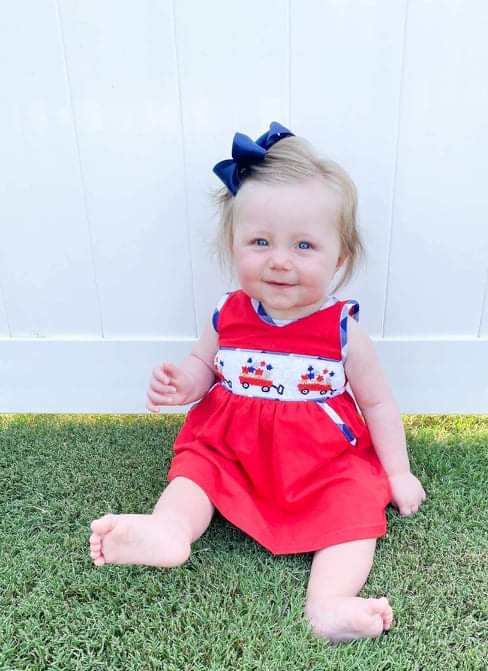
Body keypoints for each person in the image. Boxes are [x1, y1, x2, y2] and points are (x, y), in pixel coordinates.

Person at [89, 122, 426, 643]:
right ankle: (169, 530)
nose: (280, 259)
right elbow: (205, 365)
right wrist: (185, 381)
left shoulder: (343, 332)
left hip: (320, 463)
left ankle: (328, 602)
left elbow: (378, 403)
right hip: (231, 448)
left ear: (340, 257)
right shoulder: (228, 313)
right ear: (234, 244)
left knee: (355, 505)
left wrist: (399, 473)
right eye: (260, 241)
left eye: (305, 245)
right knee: (195, 475)